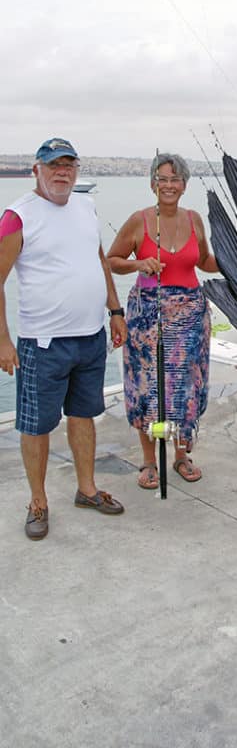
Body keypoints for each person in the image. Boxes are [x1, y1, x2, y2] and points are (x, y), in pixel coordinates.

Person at [0, 137, 127, 541]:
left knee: (84, 415)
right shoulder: (17, 216)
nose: (62, 172)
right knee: (35, 425)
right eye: (53, 164)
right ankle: (38, 501)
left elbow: (99, 260)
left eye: (69, 165)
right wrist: (3, 342)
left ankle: (86, 490)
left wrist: (115, 310)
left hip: (90, 338)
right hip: (43, 344)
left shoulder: (86, 208)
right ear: (35, 169)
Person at [107, 152, 218, 489]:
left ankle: (182, 456)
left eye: (175, 179)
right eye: (162, 179)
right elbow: (112, 260)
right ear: (153, 184)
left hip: (190, 316)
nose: (168, 185)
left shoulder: (195, 219)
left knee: (184, 388)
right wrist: (139, 265)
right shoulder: (138, 220)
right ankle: (148, 461)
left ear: (184, 185)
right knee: (148, 389)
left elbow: (205, 261)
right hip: (148, 315)